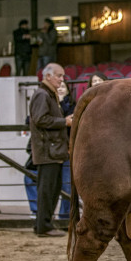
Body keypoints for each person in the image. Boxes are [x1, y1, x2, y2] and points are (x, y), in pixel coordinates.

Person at [29, 63, 72, 237]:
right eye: (59, 76)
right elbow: (41, 119)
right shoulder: (42, 94)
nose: (61, 80)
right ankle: (44, 226)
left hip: (51, 151)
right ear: (48, 76)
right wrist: (65, 122)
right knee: (48, 190)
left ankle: (43, 224)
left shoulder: (46, 94)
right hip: (48, 151)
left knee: (51, 190)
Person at [57, 81, 76, 219]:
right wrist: (64, 121)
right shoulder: (49, 101)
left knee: (67, 185)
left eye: (63, 87)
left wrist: (61, 102)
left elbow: (73, 120)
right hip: (53, 150)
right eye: (59, 86)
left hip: (67, 150)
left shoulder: (71, 105)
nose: (60, 89)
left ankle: (64, 216)